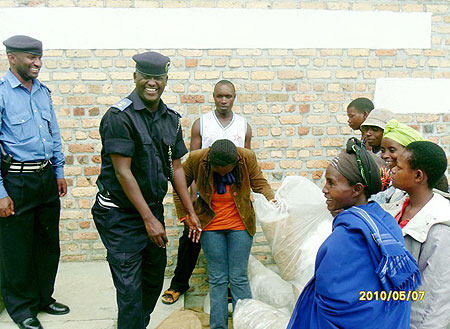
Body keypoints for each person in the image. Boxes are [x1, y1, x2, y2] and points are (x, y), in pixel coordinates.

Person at [91, 51, 201, 329]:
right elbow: (122, 171)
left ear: (165, 80)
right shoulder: (119, 117)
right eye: (146, 77)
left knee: (152, 282)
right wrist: (149, 220)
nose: (152, 83)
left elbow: (176, 167)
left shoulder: (171, 119)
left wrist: (190, 211)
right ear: (135, 77)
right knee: (129, 292)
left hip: (151, 211)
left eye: (158, 78)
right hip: (119, 217)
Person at [287, 138, 420, 329]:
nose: (324, 189)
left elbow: (331, 302)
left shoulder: (346, 237)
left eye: (331, 183)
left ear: (357, 189)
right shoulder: (386, 223)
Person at [161, 79, 252, 305]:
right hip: (205, 194)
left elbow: (247, 164)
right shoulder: (201, 124)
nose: (223, 100)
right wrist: (192, 195)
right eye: (219, 96)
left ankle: (231, 288)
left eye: (228, 96)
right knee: (191, 239)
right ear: (213, 97)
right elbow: (192, 162)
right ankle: (179, 284)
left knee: (235, 244)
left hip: (232, 198)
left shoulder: (243, 125)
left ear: (234, 98)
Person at [0, 35, 69, 329]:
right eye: (31, 57)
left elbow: (53, 132)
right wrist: (0, 192)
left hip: (45, 177)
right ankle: (21, 308)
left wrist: (59, 170)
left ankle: (43, 297)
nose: (37, 63)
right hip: (16, 179)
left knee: (47, 244)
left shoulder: (43, 91)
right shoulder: (2, 93)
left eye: (39, 57)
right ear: (12, 58)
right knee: (17, 249)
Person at [172, 139, 274, 329]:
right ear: (211, 161)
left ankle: (245, 324)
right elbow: (179, 189)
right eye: (218, 168)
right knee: (218, 278)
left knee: (239, 278)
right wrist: (187, 217)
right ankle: (218, 326)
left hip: (240, 224)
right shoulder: (197, 159)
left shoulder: (246, 158)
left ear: (235, 162)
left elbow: (261, 185)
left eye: (226, 169)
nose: (222, 172)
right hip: (210, 225)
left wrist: (274, 203)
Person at [391, 141, 450, 329]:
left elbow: (433, 297)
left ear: (418, 176)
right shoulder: (399, 206)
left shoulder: (440, 227)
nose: (392, 170)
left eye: (399, 167)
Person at [372, 119, 426, 215]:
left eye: (392, 150)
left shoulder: (411, 187)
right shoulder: (384, 178)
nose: (384, 155)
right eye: (383, 150)